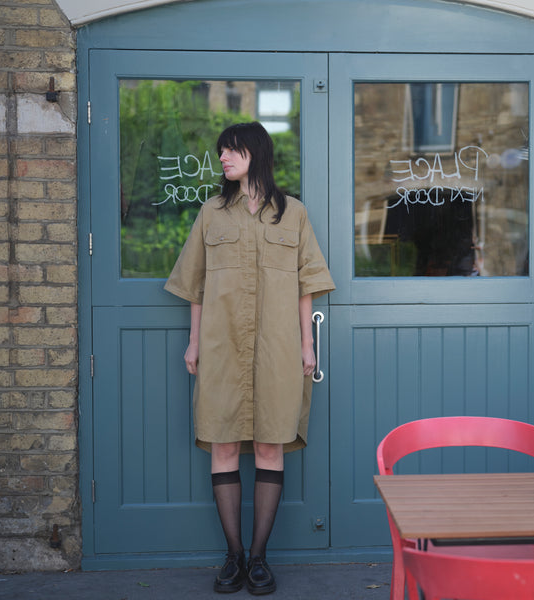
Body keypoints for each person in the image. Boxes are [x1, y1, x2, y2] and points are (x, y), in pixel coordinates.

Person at [164, 122, 334, 595]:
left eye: (230, 150)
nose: (222, 157)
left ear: (255, 152)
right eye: (220, 151)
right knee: (221, 444)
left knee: (269, 446)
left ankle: (259, 558)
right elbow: (194, 286)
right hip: (221, 349)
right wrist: (194, 342)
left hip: (277, 350)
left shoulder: (293, 214)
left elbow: (307, 288)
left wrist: (307, 345)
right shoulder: (212, 213)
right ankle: (232, 556)